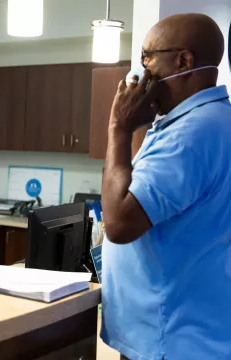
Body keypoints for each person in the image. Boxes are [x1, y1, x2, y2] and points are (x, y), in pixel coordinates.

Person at [100, 13, 231, 360]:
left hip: (168, 338)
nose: (142, 70)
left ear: (183, 60)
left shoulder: (191, 134)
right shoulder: (215, 121)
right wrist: (141, 123)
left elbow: (119, 224)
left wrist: (118, 128)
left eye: (147, 57)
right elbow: (150, 189)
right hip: (194, 332)